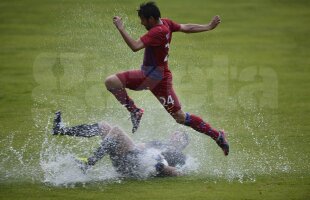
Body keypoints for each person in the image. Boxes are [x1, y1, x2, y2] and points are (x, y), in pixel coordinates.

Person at [105, 1, 229, 155]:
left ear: (151, 18)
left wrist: (121, 28)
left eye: (143, 19)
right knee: (111, 82)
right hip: (154, 76)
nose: (141, 22)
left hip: (154, 78)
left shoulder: (156, 32)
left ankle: (218, 136)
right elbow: (186, 27)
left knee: (180, 117)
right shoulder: (166, 23)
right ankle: (135, 111)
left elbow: (135, 46)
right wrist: (208, 26)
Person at [52, 111, 189, 178]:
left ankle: (89, 163)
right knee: (104, 126)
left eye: (181, 136)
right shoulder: (159, 143)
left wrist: (163, 169)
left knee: (116, 130)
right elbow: (141, 146)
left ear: (184, 144)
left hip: (134, 169)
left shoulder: (178, 155)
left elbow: (178, 172)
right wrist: (130, 146)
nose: (176, 135)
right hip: (132, 158)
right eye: (176, 133)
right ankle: (61, 130)